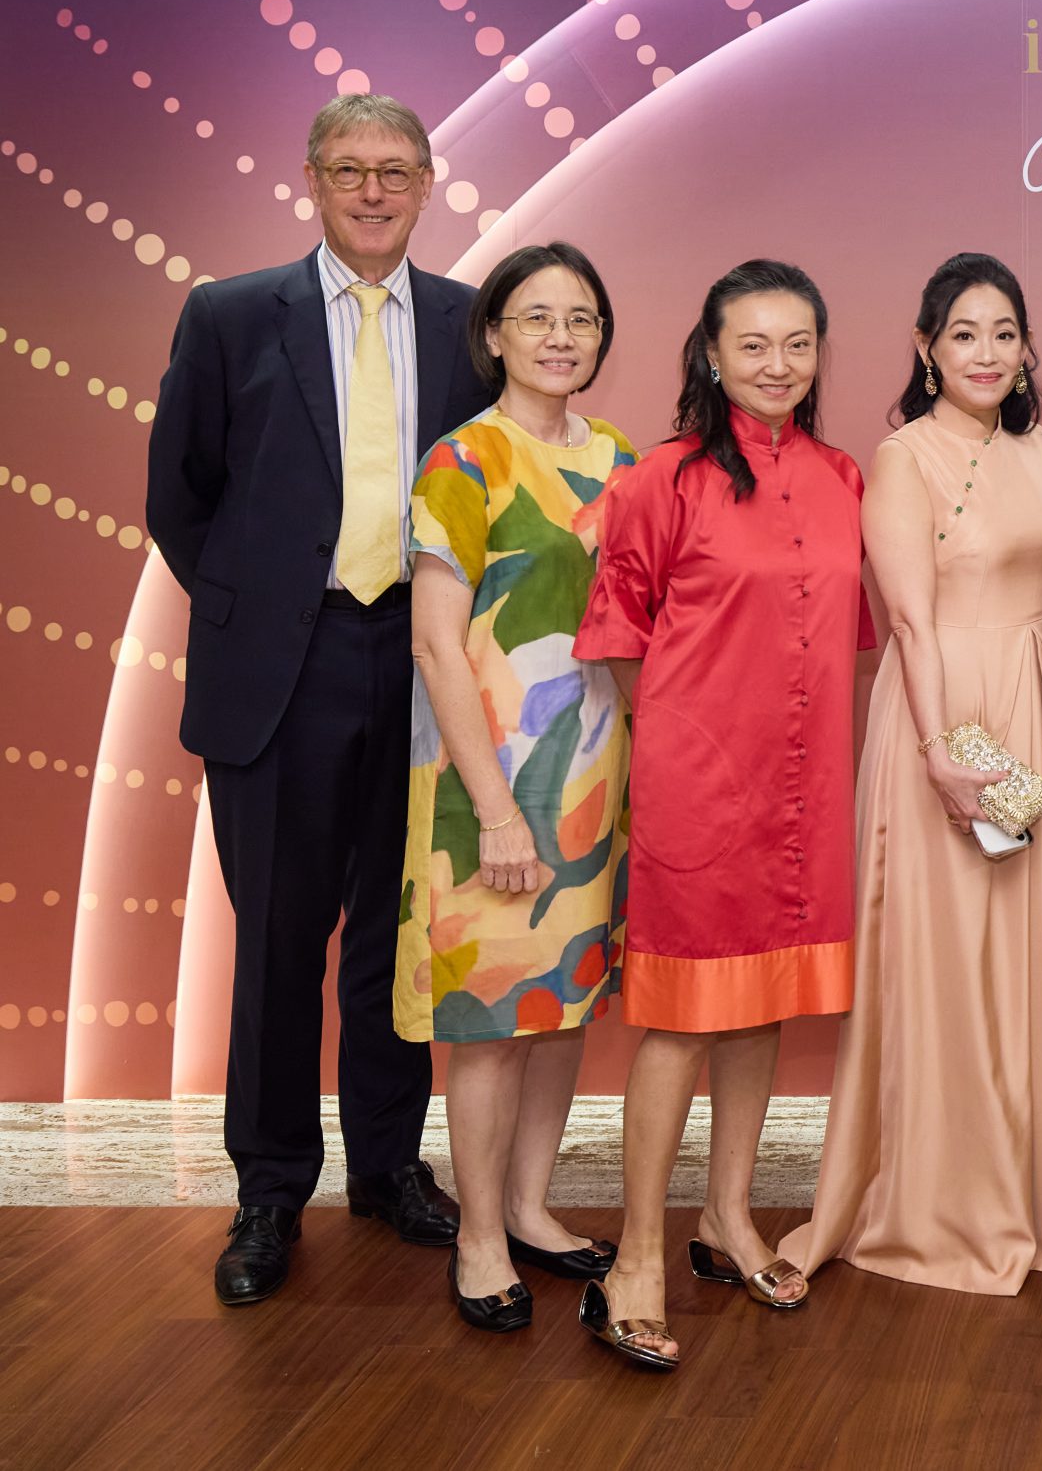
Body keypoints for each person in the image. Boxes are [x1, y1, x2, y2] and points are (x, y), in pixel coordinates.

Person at [146, 93, 491, 1305]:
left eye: (397, 170)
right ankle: (270, 1186)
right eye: (350, 168)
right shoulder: (233, 314)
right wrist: (265, 610)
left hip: (421, 663)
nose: (374, 190)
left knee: (401, 937)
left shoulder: (467, 326)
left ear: (429, 182)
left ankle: (391, 1168)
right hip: (280, 677)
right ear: (310, 179)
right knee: (281, 939)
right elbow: (180, 497)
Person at [572, 259, 868, 1369]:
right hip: (700, 789)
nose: (777, 365)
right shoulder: (661, 479)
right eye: (753, 344)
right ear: (710, 352)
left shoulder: (844, 476)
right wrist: (678, 755)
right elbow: (617, 643)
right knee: (682, 1019)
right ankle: (635, 1257)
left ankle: (727, 1216)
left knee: (764, 1005)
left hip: (806, 785)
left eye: (797, 344)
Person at [777, 254, 1042, 1295]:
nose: (987, 353)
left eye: (1005, 332)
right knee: (952, 962)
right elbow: (906, 617)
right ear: (925, 347)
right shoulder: (902, 455)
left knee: (1023, 963)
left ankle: (1025, 1198)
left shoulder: (1040, 446)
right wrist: (947, 752)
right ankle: (941, 1206)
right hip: (946, 720)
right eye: (964, 333)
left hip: (1033, 719)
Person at [400, 242, 636, 1331]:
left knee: (560, 1002)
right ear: (493, 333)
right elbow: (438, 648)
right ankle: (480, 1232)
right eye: (534, 315)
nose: (558, 335)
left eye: (579, 317)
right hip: (482, 784)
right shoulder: (462, 460)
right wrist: (495, 809)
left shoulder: (623, 460)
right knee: (490, 1020)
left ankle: (533, 1208)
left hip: (594, 775)